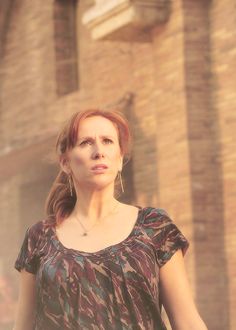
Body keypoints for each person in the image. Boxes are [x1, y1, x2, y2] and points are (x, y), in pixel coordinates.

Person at [13, 109, 208, 330]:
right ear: (65, 162)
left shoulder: (154, 226)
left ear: (120, 160)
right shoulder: (40, 236)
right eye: (86, 143)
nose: (99, 151)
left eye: (107, 141)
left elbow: (187, 322)